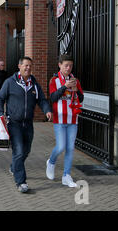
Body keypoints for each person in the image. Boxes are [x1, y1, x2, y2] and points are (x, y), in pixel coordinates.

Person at [0, 57, 52, 193]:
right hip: (14, 123)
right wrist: (0, 114)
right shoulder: (10, 82)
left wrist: (47, 110)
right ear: (19, 66)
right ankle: (21, 182)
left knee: (26, 151)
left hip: (28, 123)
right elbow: (0, 99)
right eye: (25, 66)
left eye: (30, 66)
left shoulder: (34, 84)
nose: (28, 68)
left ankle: (14, 166)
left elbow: (42, 100)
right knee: (19, 151)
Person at [46, 54, 84, 188]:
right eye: (66, 65)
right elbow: (53, 98)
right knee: (61, 146)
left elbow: (81, 98)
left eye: (71, 66)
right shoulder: (54, 80)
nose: (68, 68)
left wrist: (75, 91)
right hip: (59, 119)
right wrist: (64, 87)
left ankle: (66, 176)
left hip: (73, 119)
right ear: (60, 65)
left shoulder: (75, 80)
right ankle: (51, 162)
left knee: (70, 148)